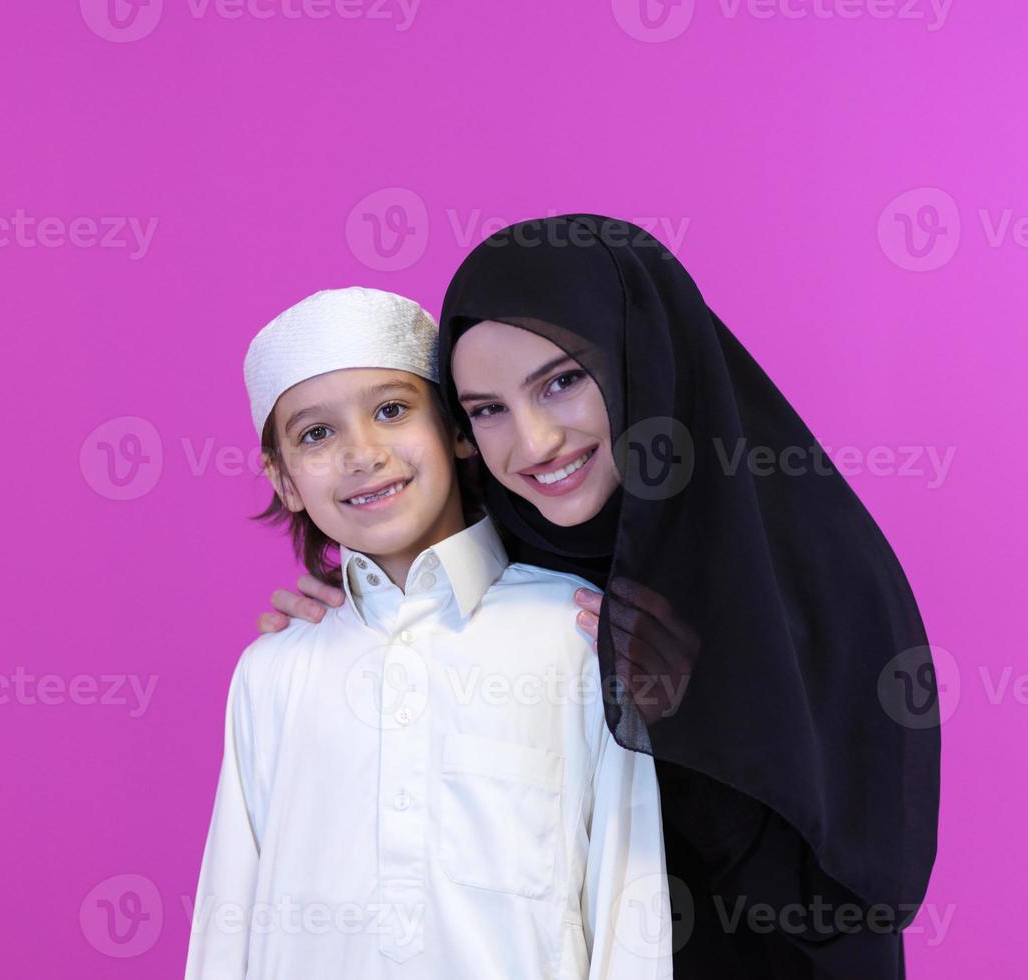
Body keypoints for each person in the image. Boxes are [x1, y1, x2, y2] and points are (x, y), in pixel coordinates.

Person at [257, 218, 942, 978]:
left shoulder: (809, 570)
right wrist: (359, 621)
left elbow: (854, 898)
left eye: (562, 381)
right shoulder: (520, 570)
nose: (535, 441)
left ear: (641, 360)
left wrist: (693, 717)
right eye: (486, 409)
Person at [185, 285, 673, 979]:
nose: (362, 453)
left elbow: (631, 904)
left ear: (455, 430)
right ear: (284, 479)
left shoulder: (578, 631)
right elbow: (227, 913)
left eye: (391, 410)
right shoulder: (273, 671)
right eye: (316, 434)